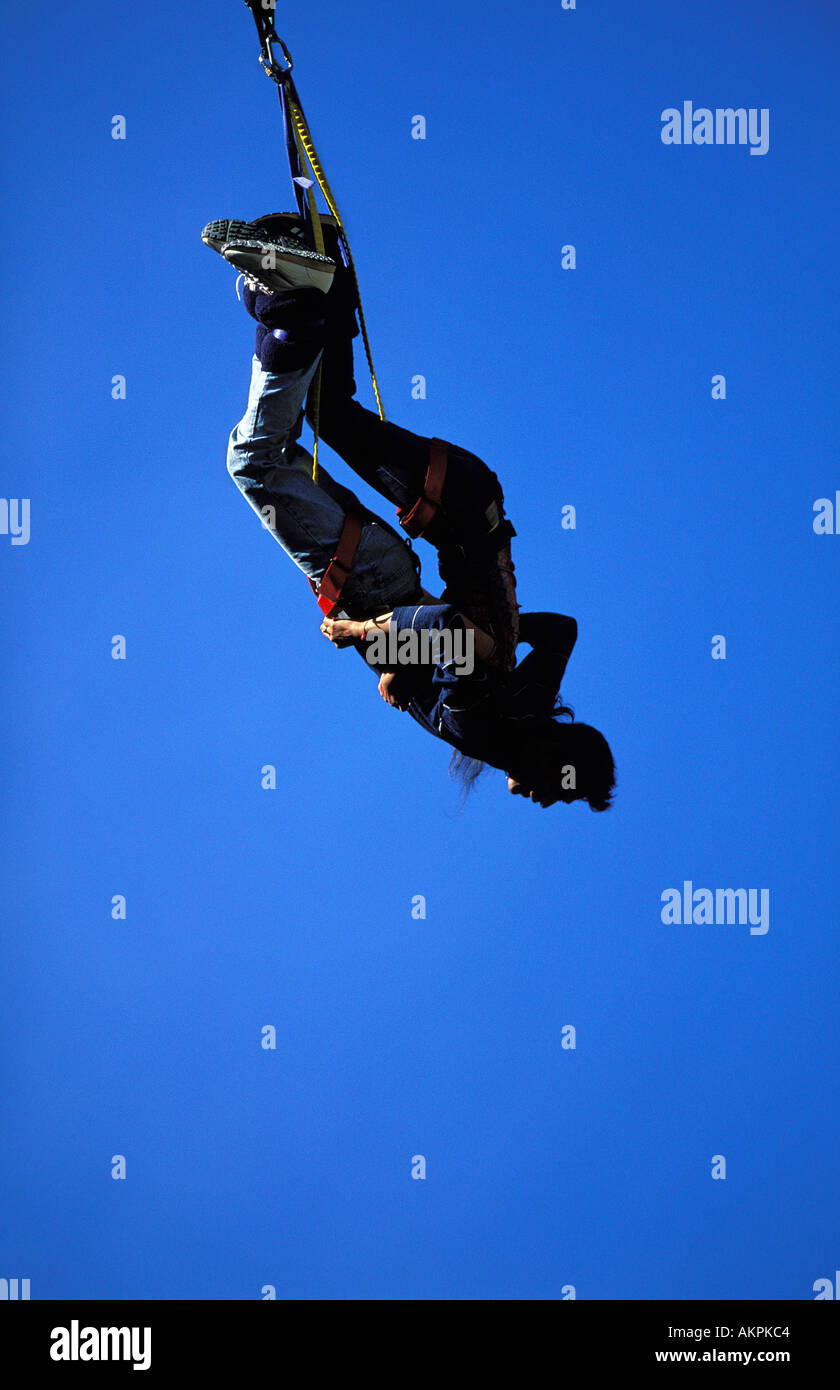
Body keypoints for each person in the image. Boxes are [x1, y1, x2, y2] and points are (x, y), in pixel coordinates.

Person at [203, 214, 616, 810]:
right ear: (558, 761)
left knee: (322, 411)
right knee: (270, 453)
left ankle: (317, 275)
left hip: (467, 503)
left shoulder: (522, 699)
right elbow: (448, 631)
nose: (546, 801)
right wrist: (371, 636)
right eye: (562, 791)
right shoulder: (492, 726)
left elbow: (559, 630)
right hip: (451, 509)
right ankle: (294, 300)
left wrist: (490, 638)